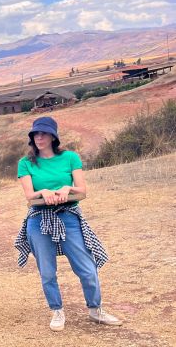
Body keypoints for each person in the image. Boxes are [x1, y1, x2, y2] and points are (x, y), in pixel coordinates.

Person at [14, 116, 123, 332]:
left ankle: (95, 309)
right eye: (35, 133)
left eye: (43, 133)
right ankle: (57, 311)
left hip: (68, 216)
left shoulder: (70, 158)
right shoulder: (26, 163)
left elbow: (82, 191)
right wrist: (43, 192)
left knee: (86, 267)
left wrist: (67, 189)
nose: (39, 137)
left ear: (53, 136)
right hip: (39, 218)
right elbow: (29, 196)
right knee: (47, 271)